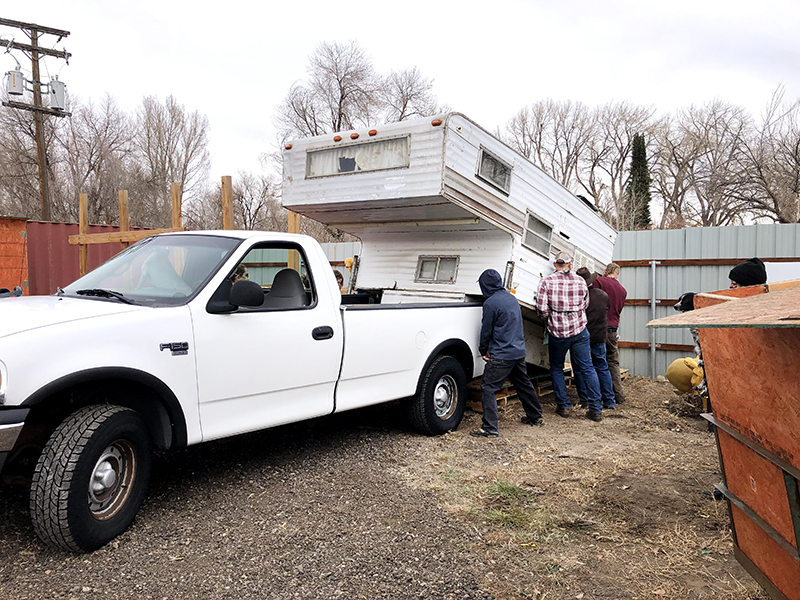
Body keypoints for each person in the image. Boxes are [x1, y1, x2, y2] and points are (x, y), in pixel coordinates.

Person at [472, 269, 544, 438]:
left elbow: (486, 330)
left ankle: (490, 428)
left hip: (501, 354)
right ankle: (535, 416)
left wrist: (483, 350)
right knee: (523, 384)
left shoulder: (490, 303)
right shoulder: (511, 298)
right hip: (518, 352)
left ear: (485, 285)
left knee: (488, 387)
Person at [536, 251, 603, 422]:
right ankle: (595, 409)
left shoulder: (546, 282)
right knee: (587, 367)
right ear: (570, 265)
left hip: (558, 332)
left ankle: (564, 406)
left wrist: (551, 317)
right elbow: (585, 304)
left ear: (554, 265)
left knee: (557, 367)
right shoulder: (581, 281)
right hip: (580, 330)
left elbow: (542, 310)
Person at [575, 268, 617, 410]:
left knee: (583, 368)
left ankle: (586, 399)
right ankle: (609, 400)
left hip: (583, 335)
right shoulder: (603, 295)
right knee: (602, 366)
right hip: (600, 335)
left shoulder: (580, 296)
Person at [593, 262, 627, 405]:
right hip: (613, 328)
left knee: (596, 361)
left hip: (599, 327)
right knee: (612, 361)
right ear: (617, 273)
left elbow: (593, 302)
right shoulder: (622, 290)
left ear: (605, 271)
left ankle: (598, 394)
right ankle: (618, 395)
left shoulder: (599, 282)